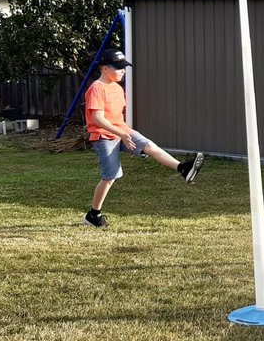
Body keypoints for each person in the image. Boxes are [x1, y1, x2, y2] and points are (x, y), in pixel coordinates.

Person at [83, 48, 202, 227]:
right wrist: (122, 135)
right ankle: (93, 215)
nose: (123, 71)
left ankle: (183, 169)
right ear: (105, 69)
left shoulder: (117, 88)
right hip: (104, 136)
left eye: (124, 67)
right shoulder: (96, 88)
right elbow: (98, 119)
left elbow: (118, 116)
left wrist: (126, 136)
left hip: (123, 131)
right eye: (119, 67)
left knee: (149, 146)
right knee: (110, 177)